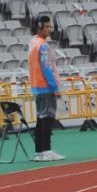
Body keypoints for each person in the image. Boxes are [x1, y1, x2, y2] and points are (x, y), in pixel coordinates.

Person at [28, 15, 65, 162]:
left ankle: (39, 151)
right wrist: (55, 87)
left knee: (40, 119)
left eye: (50, 26)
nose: (50, 29)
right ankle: (47, 150)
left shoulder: (33, 43)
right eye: (47, 26)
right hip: (45, 87)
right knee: (47, 119)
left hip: (36, 86)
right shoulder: (42, 45)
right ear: (39, 27)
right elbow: (47, 68)